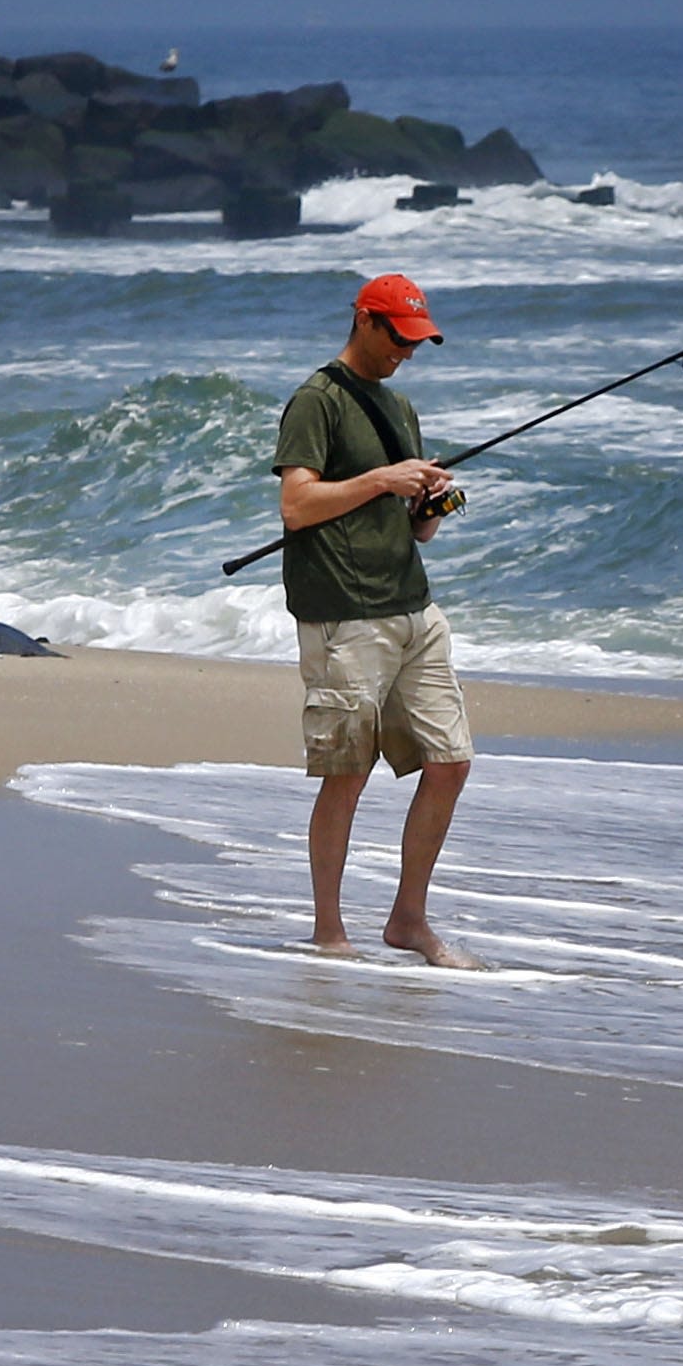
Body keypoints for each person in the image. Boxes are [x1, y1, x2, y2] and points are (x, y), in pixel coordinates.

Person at [272, 272, 480, 967]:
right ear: (364, 321)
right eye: (398, 337)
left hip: (411, 605)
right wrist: (383, 480)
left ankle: (407, 920)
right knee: (348, 770)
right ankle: (329, 932)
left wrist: (434, 499)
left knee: (450, 761)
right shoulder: (316, 400)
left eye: (417, 341)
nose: (407, 352)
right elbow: (297, 506)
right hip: (343, 612)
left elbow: (417, 531)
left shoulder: (400, 406)